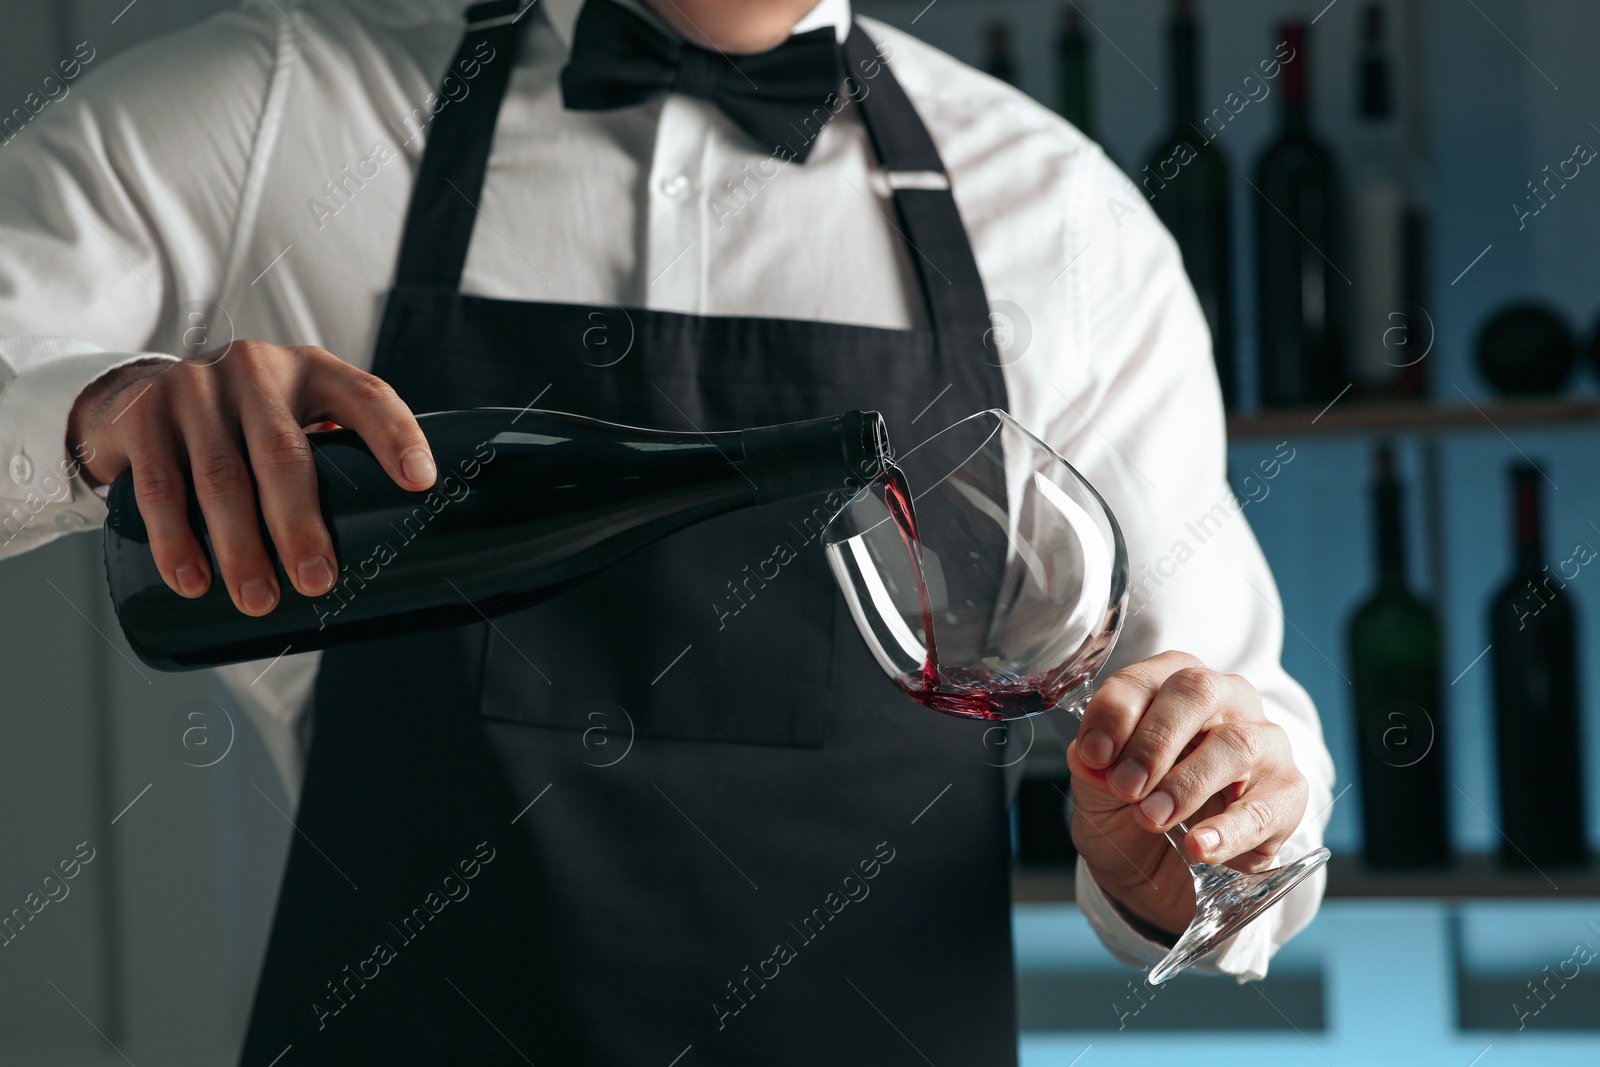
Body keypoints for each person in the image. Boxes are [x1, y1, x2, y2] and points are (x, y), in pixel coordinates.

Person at [0, 0, 1335, 1061]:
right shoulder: (281, 105)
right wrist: (107, 412)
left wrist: (1195, 827)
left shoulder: (1069, 220)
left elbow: (1236, 812)